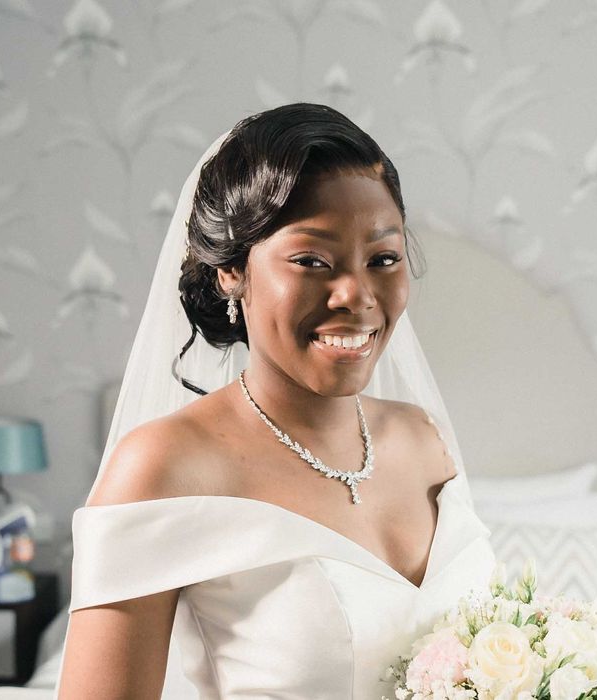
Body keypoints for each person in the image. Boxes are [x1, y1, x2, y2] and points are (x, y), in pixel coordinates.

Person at [55, 103, 496, 699]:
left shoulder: (424, 439)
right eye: (312, 260)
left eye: (383, 259)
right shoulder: (163, 466)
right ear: (232, 272)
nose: (356, 295)